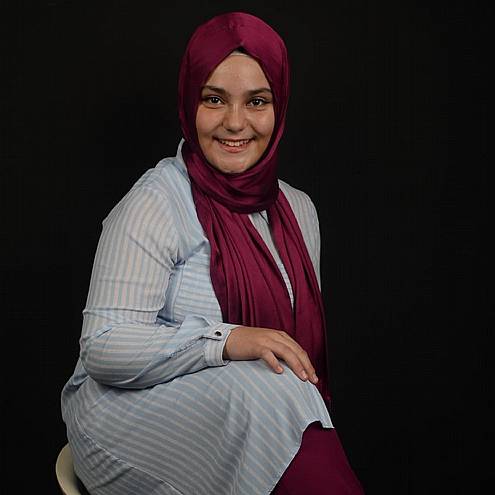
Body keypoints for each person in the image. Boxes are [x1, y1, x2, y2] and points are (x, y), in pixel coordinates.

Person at [61, 11, 364, 495]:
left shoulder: (299, 211)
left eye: (257, 101)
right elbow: (103, 345)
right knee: (268, 391)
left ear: (279, 107)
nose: (235, 123)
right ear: (190, 102)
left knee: (276, 390)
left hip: (248, 414)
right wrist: (227, 339)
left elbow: (293, 359)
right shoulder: (156, 202)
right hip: (126, 417)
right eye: (214, 99)